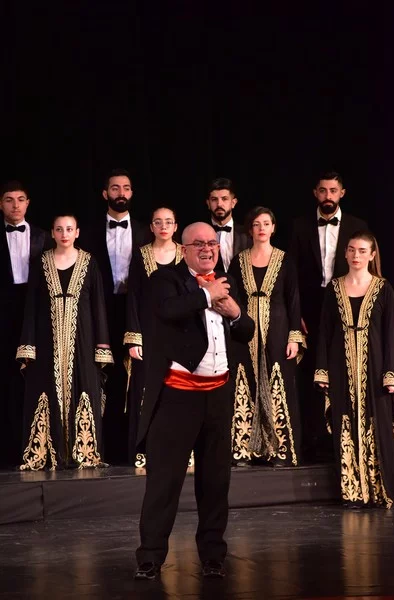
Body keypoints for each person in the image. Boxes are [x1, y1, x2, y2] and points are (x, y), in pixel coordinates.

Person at [134, 222, 254, 580]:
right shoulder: (165, 280)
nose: (207, 249)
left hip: (217, 395)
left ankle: (213, 555)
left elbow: (246, 331)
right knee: (165, 481)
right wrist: (206, 294)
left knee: (216, 482)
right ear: (183, 249)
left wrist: (234, 312)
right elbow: (169, 310)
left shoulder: (227, 280)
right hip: (177, 398)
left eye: (212, 243)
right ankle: (151, 557)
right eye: (198, 244)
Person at [16, 215, 113, 470]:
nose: (64, 234)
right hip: (47, 338)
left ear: (77, 232)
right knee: (45, 388)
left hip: (83, 336)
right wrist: (28, 344)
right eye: (59, 229)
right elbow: (32, 306)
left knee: (83, 386)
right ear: (52, 232)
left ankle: (83, 452)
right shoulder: (41, 262)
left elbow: (98, 305)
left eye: (69, 229)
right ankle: (49, 452)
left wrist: (101, 346)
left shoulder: (89, 263)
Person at [314, 231, 394, 508]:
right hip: (341, 365)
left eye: (362, 251)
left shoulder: (383, 288)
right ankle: (352, 492)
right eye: (351, 250)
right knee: (345, 423)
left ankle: (378, 491)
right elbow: (325, 331)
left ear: (372, 255)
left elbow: (390, 335)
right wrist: (323, 370)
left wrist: (392, 374)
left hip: (374, 367)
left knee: (377, 426)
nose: (356, 255)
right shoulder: (335, 288)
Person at [289, 171, 368, 461]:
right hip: (309, 307)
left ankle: (341, 437)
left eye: (333, 191)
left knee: (341, 366)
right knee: (310, 371)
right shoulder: (299, 226)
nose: (328, 197)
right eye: (323, 191)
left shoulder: (358, 226)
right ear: (315, 193)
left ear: (342, 193)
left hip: (345, 304)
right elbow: (292, 274)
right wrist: (295, 314)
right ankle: (312, 437)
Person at [79, 168, 151, 464]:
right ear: (105, 193)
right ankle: (103, 447)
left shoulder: (147, 230)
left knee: (137, 376)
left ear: (132, 193)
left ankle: (136, 446)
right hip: (101, 310)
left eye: (126, 188)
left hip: (138, 313)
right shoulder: (88, 231)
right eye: (115, 188)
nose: (121, 193)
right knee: (103, 375)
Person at [228, 206, 304, 466]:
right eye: (256, 224)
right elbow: (232, 298)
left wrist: (294, 336)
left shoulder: (285, 260)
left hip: (278, 329)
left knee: (277, 382)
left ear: (273, 228)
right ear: (250, 230)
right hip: (245, 330)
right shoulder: (238, 261)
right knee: (246, 380)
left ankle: (280, 449)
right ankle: (245, 449)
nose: (261, 228)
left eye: (266, 223)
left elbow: (294, 300)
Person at [125, 207, 183, 466]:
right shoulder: (141, 256)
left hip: (181, 331)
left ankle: (182, 449)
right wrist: (134, 336)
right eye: (158, 222)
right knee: (147, 388)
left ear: (175, 226)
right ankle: (146, 449)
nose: (163, 226)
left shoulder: (185, 253)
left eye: (168, 222)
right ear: (151, 227)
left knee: (179, 387)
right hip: (149, 331)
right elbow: (134, 297)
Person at [0, 180, 52, 468]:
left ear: (28, 203)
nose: (15, 205)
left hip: (34, 316)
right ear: (1, 204)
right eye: (9, 200)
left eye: (20, 199)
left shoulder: (43, 237)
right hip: (3, 316)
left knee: (31, 378)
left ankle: (34, 446)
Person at [206, 177, 251, 271]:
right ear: (208, 203)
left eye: (224, 199)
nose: (219, 204)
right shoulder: (200, 234)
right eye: (214, 199)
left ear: (233, 203)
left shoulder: (248, 234)